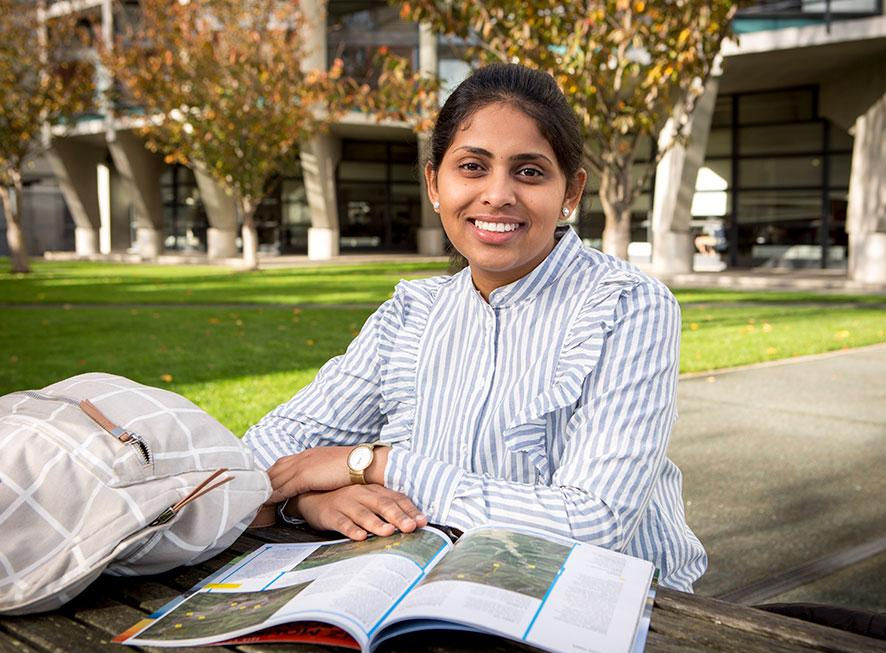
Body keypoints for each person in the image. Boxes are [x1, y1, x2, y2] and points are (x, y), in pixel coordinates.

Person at [244, 63, 707, 591]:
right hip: (432, 585)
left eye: (529, 171)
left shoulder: (628, 306)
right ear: (434, 183)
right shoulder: (411, 312)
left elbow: (594, 524)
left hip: (611, 603)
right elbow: (267, 450)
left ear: (571, 192)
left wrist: (379, 466)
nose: (497, 194)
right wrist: (313, 501)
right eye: (472, 166)